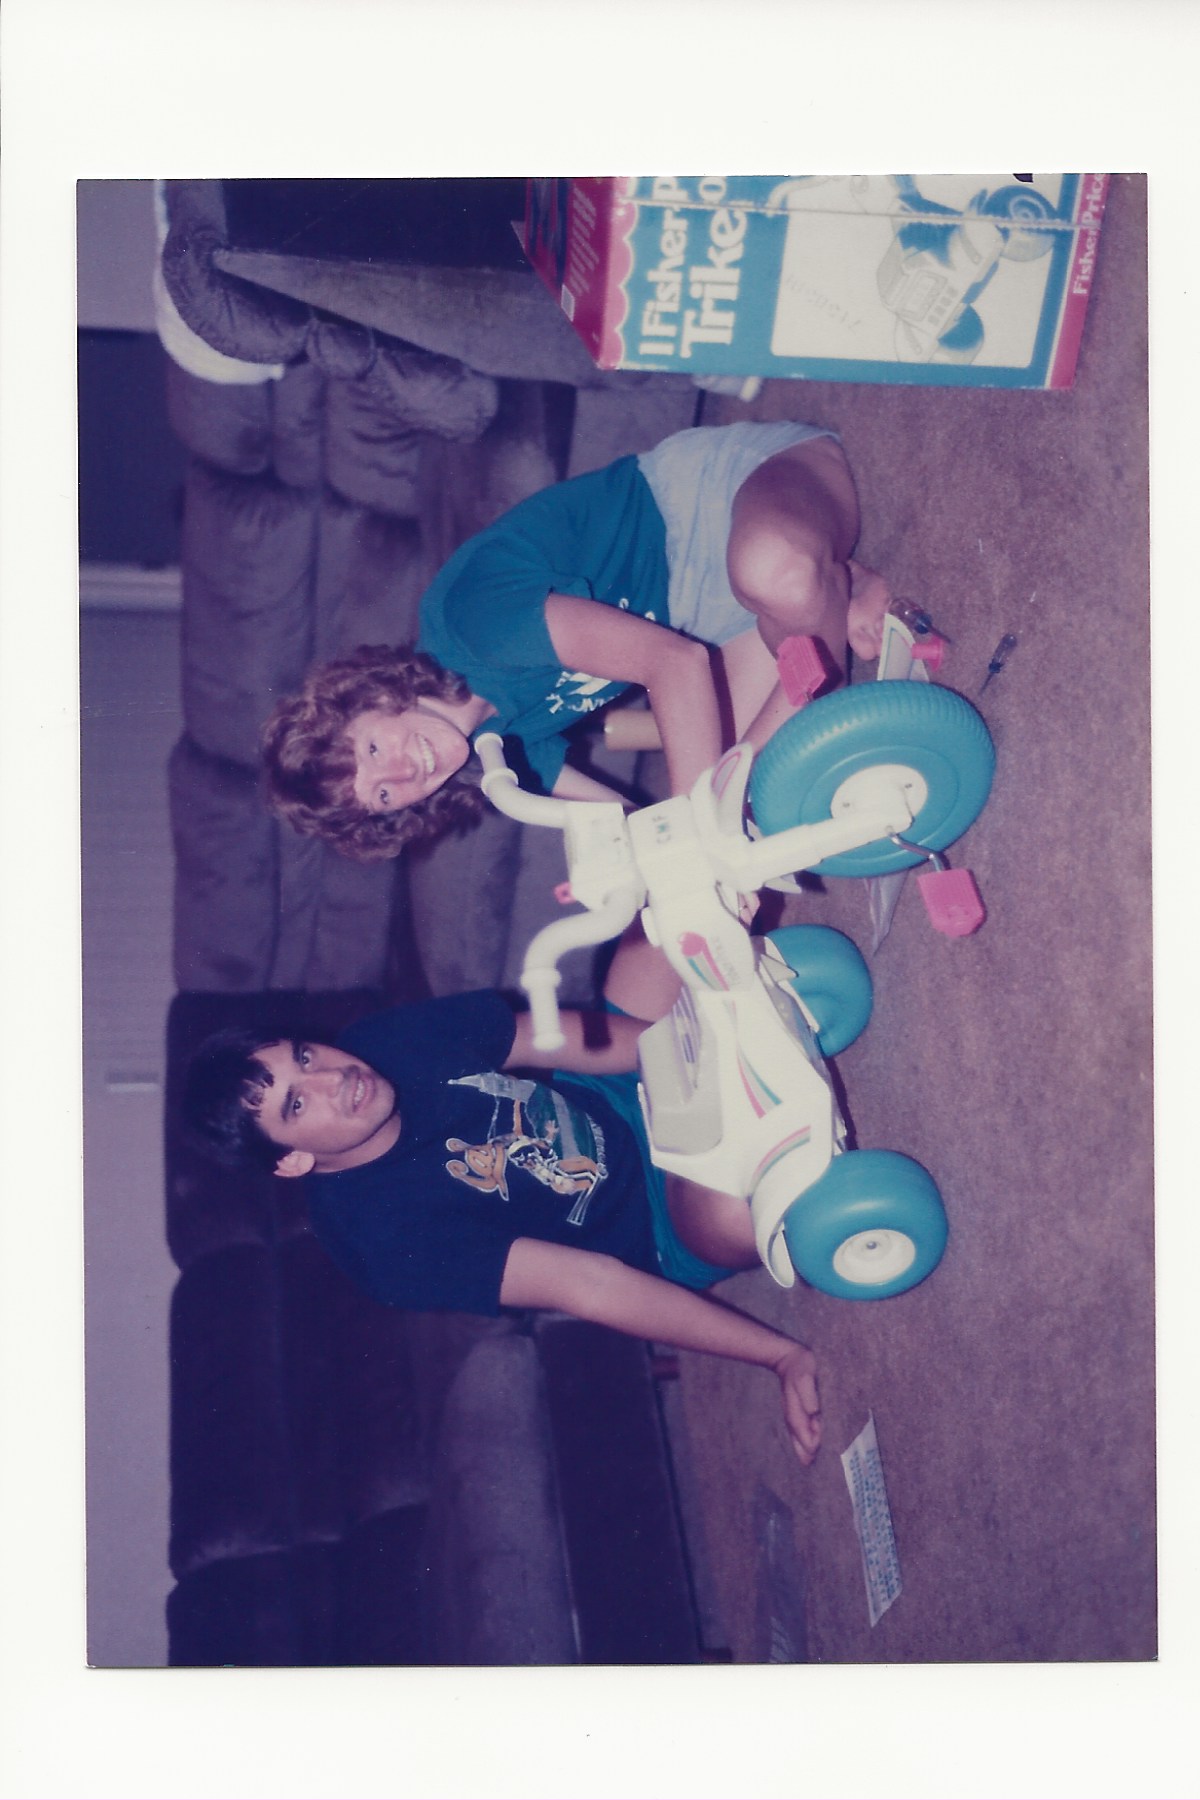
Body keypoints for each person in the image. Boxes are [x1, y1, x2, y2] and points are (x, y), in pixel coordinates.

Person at [183, 938, 823, 1465]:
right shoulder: (384, 1248)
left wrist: (693, 1065)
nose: (332, 1078)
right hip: (660, 1221)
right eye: (297, 1104)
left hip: (620, 1092)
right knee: (739, 1217)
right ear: (292, 1160)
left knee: (658, 941)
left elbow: (549, 1040)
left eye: (303, 1057)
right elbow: (591, 1284)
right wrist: (780, 1355)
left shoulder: (382, 1041)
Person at [261, 419, 895, 861]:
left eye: (373, 747)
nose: (404, 770)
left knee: (771, 575)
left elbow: (675, 664)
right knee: (752, 787)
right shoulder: (490, 760)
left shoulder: (475, 627)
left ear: (373, 700)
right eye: (382, 794)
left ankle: (819, 593)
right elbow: (627, 819)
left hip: (721, 497)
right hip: (704, 621)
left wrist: (702, 825)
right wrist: (666, 868)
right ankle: (827, 599)